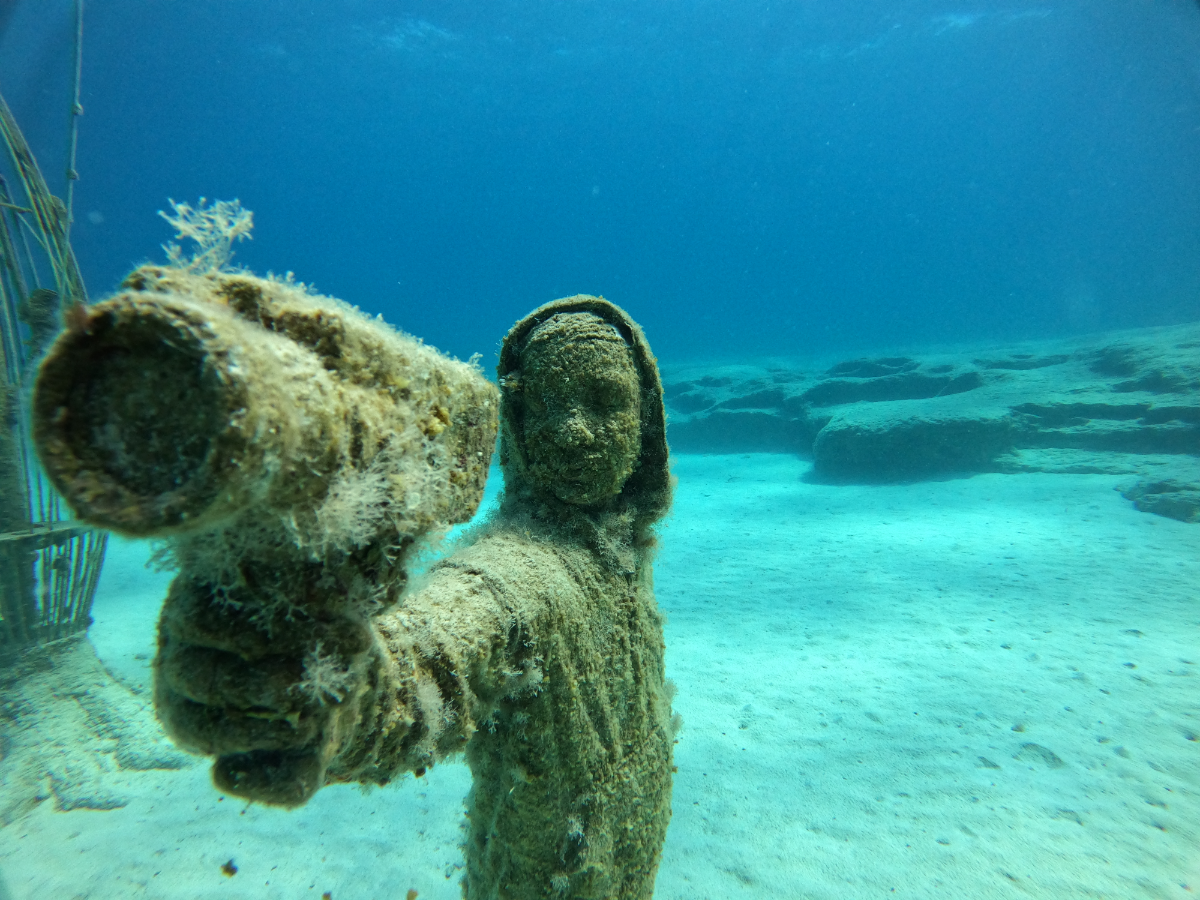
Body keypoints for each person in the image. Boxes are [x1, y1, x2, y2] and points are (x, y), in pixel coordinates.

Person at [156, 296, 677, 900]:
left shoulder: (623, 553)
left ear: (646, 422)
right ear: (517, 422)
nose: (575, 430)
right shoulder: (516, 580)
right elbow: (430, 667)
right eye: (547, 404)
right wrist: (327, 700)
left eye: (605, 400)